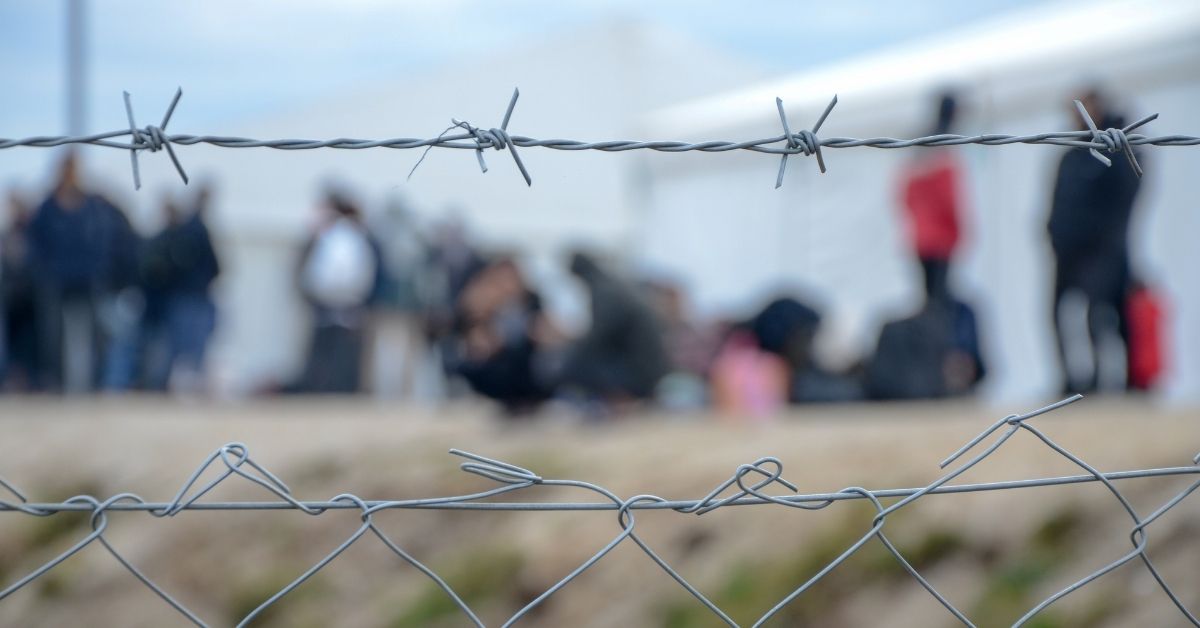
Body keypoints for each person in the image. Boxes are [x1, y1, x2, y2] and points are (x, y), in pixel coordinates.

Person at [1047, 89, 1142, 394]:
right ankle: (1072, 383)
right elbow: (1058, 200)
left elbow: (1126, 197)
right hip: (1067, 250)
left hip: (1104, 250)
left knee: (1101, 316)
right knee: (1057, 313)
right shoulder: (1073, 149)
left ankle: (1107, 382)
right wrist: (1053, 232)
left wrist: (1105, 237)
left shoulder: (1120, 147)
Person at [28, 152, 139, 393]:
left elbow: (105, 238)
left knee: (96, 335)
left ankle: (94, 384)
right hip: (56, 281)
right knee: (53, 336)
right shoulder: (47, 207)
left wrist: (102, 268)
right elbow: (36, 245)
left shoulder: (93, 205)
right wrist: (44, 271)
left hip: (89, 280)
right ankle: (56, 383)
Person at [293, 190, 382, 393]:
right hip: (345, 300)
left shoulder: (336, 236)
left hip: (333, 300)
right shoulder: (353, 236)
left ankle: (326, 386)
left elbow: (323, 273)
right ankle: (332, 386)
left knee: (330, 350)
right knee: (337, 351)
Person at [558, 251, 669, 404]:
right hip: (646, 365)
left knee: (574, 364)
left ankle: (619, 400)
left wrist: (570, 354)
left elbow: (598, 336)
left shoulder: (604, 291)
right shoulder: (613, 284)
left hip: (639, 370)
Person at [453, 256, 553, 414]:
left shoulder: (532, 299)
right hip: (497, 361)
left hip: (526, 357)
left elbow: (540, 328)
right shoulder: (489, 301)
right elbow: (468, 328)